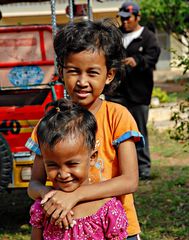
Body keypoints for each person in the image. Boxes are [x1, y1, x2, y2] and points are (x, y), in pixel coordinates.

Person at [26, 19, 144, 240]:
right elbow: (34, 184)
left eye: (92, 72)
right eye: (73, 71)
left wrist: (75, 196)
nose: (82, 81)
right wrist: (50, 195)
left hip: (117, 230)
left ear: (109, 75)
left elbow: (130, 180)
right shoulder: (50, 123)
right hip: (64, 230)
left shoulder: (117, 117)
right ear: (61, 71)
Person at [30, 98, 128, 240]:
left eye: (72, 164)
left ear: (92, 158)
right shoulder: (43, 208)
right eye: (52, 165)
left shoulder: (108, 211)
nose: (63, 174)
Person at [106, 2, 161, 180]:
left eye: (128, 18)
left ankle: (143, 168)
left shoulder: (148, 37)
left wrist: (136, 61)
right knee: (116, 133)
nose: (124, 21)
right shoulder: (117, 36)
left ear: (137, 17)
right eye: (121, 18)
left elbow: (153, 57)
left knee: (139, 131)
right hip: (117, 94)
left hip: (139, 94)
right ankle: (118, 169)